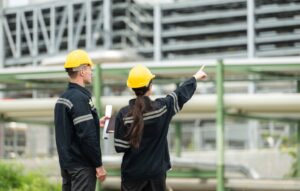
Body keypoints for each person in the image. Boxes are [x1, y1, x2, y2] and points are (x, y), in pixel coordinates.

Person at [114, 64, 207, 191]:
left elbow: (120, 147)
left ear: (131, 88)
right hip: (156, 176)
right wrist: (195, 77)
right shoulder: (161, 109)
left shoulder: (123, 115)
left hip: (132, 175)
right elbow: (179, 94)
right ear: (150, 86)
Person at [54, 49, 107, 191]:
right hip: (82, 167)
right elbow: (87, 135)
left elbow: (71, 130)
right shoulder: (80, 98)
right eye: (90, 69)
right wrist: (99, 165)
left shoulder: (63, 99)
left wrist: (95, 123)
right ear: (82, 71)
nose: (91, 72)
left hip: (67, 166)